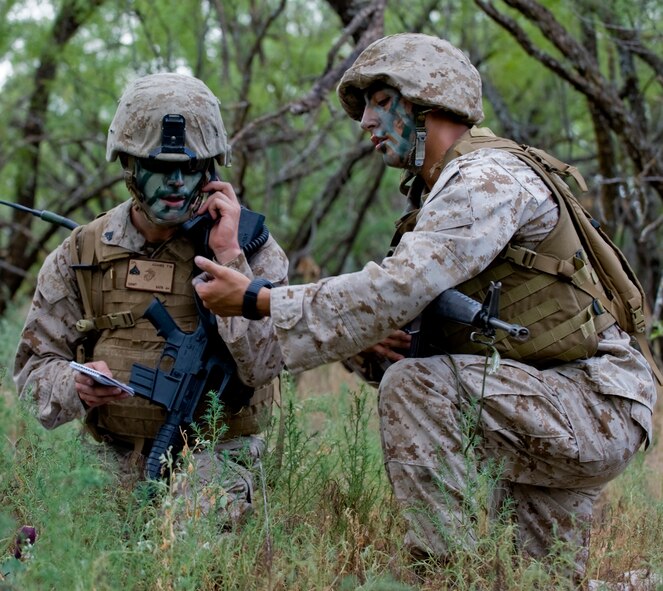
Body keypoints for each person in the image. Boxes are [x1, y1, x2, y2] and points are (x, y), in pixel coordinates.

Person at [188, 33, 661, 578]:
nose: (365, 121)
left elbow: (393, 290)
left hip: (589, 402)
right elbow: (399, 315)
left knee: (417, 389)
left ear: (429, 101)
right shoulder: (437, 195)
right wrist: (386, 344)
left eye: (381, 102)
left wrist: (259, 299)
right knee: (540, 577)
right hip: (553, 399)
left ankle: (443, 575)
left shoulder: (485, 178)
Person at [14, 73, 288, 521]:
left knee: (192, 537)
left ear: (211, 169)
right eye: (160, 167)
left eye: (191, 165)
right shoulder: (82, 253)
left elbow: (266, 363)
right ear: (130, 166)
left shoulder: (251, 248)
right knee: (64, 551)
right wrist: (75, 384)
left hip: (215, 455)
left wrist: (229, 256)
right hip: (110, 456)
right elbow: (31, 375)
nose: (177, 182)